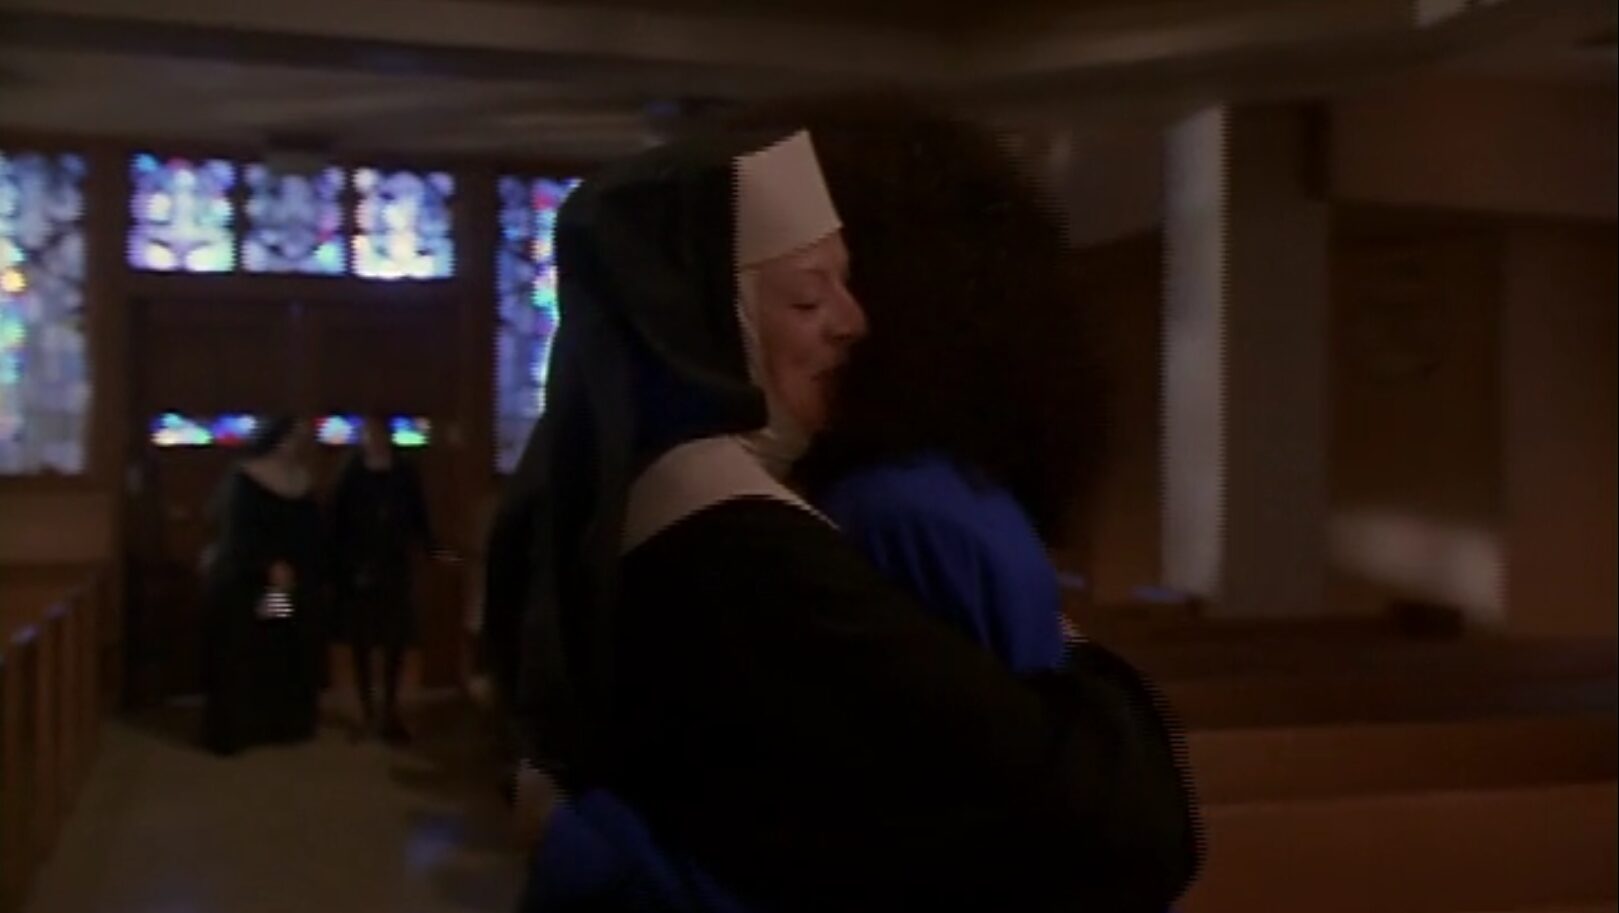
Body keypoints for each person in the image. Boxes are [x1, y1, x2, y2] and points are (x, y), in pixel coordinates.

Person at [496, 129, 1199, 912]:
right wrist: (1080, 661)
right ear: (703, 327)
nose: (852, 320)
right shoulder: (747, 554)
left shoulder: (636, 511)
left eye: (847, 282)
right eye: (807, 297)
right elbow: (1113, 826)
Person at [200, 416, 325, 756]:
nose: (294, 447)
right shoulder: (246, 479)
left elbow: (312, 532)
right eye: (290, 439)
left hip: (285, 587)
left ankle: (281, 724)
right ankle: (239, 729)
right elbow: (238, 532)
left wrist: (298, 568)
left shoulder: (300, 481)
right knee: (245, 651)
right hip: (246, 584)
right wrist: (268, 564)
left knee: (281, 649)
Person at [330, 415, 446, 743]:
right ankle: (367, 710)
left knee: (395, 640)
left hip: (394, 567)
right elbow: (337, 523)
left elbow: (418, 516)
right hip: (359, 568)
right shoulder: (351, 474)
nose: (375, 441)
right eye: (369, 435)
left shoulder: (404, 473)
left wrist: (431, 549)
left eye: (379, 435)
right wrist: (340, 567)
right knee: (362, 642)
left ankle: (390, 708)